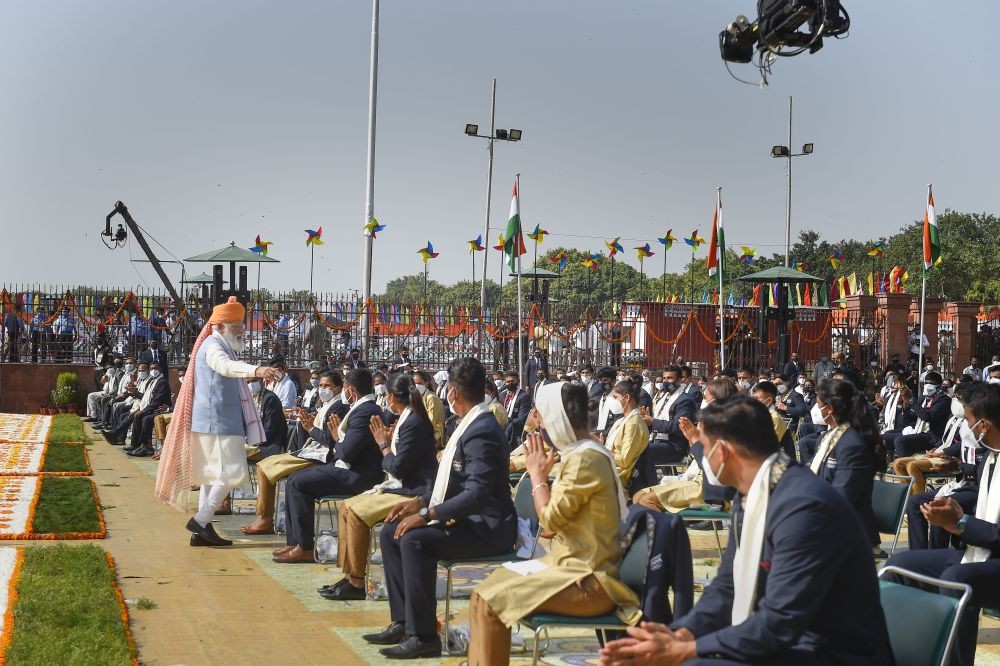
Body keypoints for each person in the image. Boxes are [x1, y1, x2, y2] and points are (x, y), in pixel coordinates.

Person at [600, 395, 893, 666]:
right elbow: (727, 586)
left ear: (724, 452)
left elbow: (780, 622)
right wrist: (681, 634)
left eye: (702, 448)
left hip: (831, 654)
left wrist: (686, 650)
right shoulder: (752, 493)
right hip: (788, 644)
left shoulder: (805, 509)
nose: (702, 459)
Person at [469, 382, 639, 665]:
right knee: (483, 592)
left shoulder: (585, 458)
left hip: (590, 580)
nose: (538, 423)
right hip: (569, 567)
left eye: (542, 416)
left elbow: (549, 518)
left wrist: (537, 478)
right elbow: (555, 525)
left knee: (491, 605)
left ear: (557, 421)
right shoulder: (581, 453)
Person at [363, 357, 516, 659]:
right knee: (392, 532)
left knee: (415, 541)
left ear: (454, 393)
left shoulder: (481, 430)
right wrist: (418, 503)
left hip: (487, 528)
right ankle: (404, 620)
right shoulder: (467, 423)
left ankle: (423, 637)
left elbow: (477, 494)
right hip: (466, 519)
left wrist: (427, 515)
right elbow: (451, 482)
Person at [884, 383, 1000, 666]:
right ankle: (896, 653)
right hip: (981, 553)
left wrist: (961, 522)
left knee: (957, 580)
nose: (968, 430)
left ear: (984, 424)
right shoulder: (990, 458)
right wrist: (954, 520)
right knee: (897, 567)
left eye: (971, 423)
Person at [154, 297, 281, 547]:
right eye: (237, 327)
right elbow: (225, 367)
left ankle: (202, 531)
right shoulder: (213, 347)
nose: (242, 331)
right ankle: (201, 520)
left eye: (242, 326)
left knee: (212, 477)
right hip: (219, 422)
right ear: (221, 326)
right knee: (233, 473)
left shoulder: (220, 344)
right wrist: (256, 370)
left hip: (213, 421)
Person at [318, 374, 437, 600]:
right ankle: (348, 574)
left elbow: (399, 468)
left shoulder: (414, 423)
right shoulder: (407, 419)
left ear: (391, 397)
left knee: (357, 513)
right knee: (346, 507)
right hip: (401, 485)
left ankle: (356, 581)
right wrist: (390, 442)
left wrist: (383, 445)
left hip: (413, 491)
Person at [273, 368, 385, 563]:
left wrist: (336, 438)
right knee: (294, 480)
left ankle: (305, 546)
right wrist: (337, 439)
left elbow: (346, 453)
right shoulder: (361, 409)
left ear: (350, 390)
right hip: (348, 468)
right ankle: (296, 542)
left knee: (300, 483)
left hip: (358, 476)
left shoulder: (364, 412)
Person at [241, 371, 343, 536]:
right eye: (321, 385)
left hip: (322, 455)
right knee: (262, 466)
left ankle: (266, 519)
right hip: (309, 450)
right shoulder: (327, 405)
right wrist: (308, 423)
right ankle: (264, 516)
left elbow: (329, 440)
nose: (322, 389)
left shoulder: (338, 407)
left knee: (266, 468)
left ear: (338, 388)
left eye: (327, 386)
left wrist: (310, 427)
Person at [632, 378, 738, 512]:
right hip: (697, 478)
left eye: (705, 397)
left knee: (644, 500)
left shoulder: (725, 426)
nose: (703, 400)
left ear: (718, 399)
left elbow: (711, 468)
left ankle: (667, 530)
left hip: (707, 487)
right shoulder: (710, 421)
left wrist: (696, 442)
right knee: (639, 495)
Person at [810, 378, 886, 552]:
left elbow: (842, 496)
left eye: (818, 405)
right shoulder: (830, 436)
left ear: (829, 409)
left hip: (849, 533)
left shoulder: (853, 444)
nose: (816, 410)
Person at [643, 366, 698, 464]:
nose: (666, 382)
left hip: (673, 445)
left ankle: (648, 479)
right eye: (664, 378)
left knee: (642, 451)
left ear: (680, 380)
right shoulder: (664, 397)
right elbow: (656, 422)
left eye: (670, 378)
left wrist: (652, 421)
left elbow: (677, 427)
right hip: (657, 439)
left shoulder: (685, 400)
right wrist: (647, 421)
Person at [891, 371, 953, 458]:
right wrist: (905, 403)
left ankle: (903, 466)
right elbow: (907, 420)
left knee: (899, 441)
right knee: (885, 436)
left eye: (930, 383)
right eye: (925, 383)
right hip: (917, 429)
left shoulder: (943, 399)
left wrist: (912, 400)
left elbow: (927, 417)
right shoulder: (922, 398)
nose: (927, 385)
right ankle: (891, 462)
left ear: (938, 385)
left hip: (931, 435)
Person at [602, 379, 649, 489]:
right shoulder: (621, 420)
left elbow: (624, 460)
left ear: (627, 398)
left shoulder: (633, 423)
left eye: (615, 397)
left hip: (618, 475)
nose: (612, 401)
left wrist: (603, 450)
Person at [245, 377, 288, 461]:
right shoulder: (248, 397)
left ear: (261, 380)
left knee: (237, 452)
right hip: (252, 439)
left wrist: (251, 439)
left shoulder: (270, 398)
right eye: (247, 382)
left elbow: (270, 428)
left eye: (253, 381)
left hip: (269, 443)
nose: (250, 384)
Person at [751, 381, 796, 459]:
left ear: (768, 401)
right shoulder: (760, 416)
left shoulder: (774, 419)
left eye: (756, 398)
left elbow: (764, 447)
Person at [501, 371, 531, 448]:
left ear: (518, 381)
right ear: (505, 382)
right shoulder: (502, 395)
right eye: (508, 381)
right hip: (501, 432)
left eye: (512, 381)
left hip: (515, 434)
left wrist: (505, 421)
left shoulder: (524, 397)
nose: (510, 383)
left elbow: (521, 419)